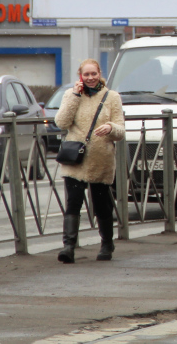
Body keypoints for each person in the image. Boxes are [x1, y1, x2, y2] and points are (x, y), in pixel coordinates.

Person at [55, 59, 125, 263]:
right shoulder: (71, 95)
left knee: (102, 204)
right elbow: (61, 122)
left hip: (100, 159)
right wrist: (75, 96)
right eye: (86, 75)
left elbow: (120, 130)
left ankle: (106, 244)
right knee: (73, 202)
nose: (90, 78)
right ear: (80, 76)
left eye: (93, 74)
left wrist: (111, 127)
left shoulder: (112, 97)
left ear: (99, 73)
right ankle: (68, 247)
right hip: (75, 159)